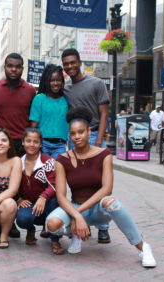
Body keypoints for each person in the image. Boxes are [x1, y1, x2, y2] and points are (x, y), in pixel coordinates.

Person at [46, 107, 157, 268]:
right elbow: (62, 196)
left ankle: (143, 247)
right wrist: (77, 216)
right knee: (52, 224)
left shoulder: (103, 154)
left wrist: (78, 215)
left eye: (81, 132)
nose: (77, 137)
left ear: (89, 132)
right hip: (76, 206)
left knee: (112, 202)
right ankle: (74, 234)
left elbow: (107, 189)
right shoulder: (62, 160)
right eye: (73, 133)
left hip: (98, 210)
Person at [61, 48, 111, 244]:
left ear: (80, 62)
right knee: (78, 182)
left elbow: (105, 113)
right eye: (66, 64)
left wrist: (98, 142)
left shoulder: (97, 83)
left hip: (94, 136)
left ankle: (104, 228)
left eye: (73, 62)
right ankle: (82, 221)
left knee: (99, 183)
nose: (70, 66)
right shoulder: (66, 89)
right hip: (74, 138)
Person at [0, 53, 36, 238]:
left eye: (17, 66)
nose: (13, 69)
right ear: (5, 67)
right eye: (10, 66)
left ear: (22, 68)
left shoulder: (30, 90)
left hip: (19, 142)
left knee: (16, 184)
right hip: (0, 142)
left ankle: (11, 221)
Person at [15, 128, 64, 255]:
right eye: (28, 141)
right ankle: (30, 231)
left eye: (35, 142)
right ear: (23, 142)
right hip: (30, 205)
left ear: (41, 144)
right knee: (22, 219)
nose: (32, 144)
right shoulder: (17, 163)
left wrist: (43, 197)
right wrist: (19, 199)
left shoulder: (48, 161)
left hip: (47, 204)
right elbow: (12, 185)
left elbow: (55, 184)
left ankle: (54, 239)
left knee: (54, 200)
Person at [29, 64, 69, 159]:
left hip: (60, 145)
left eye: (58, 80)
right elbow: (33, 126)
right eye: (52, 80)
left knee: (57, 172)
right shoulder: (39, 99)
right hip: (43, 144)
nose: (55, 83)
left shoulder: (66, 99)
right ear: (47, 81)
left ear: (62, 81)